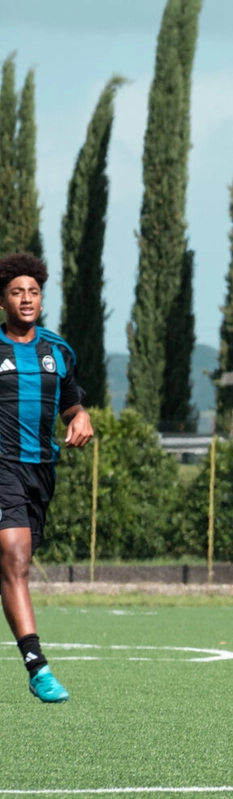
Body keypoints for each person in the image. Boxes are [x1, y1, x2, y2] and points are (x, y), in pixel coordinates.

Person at [0, 254, 92, 703]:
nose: (26, 298)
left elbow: (72, 404)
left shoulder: (58, 351)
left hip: (42, 472)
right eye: (17, 291)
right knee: (14, 558)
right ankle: (37, 667)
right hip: (1, 466)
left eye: (33, 291)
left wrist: (81, 418)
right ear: (3, 300)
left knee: (13, 565)